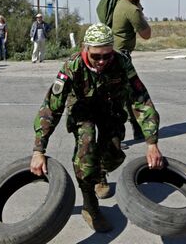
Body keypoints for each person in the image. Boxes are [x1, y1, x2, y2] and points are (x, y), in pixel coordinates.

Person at [29, 23, 164, 232]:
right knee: (87, 146)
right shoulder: (71, 67)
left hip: (110, 108)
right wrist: (39, 149)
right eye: (96, 56)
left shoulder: (121, 62)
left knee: (114, 153)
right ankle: (90, 204)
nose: (101, 61)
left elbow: (141, 98)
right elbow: (50, 108)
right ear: (85, 48)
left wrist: (152, 142)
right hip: (82, 110)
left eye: (106, 56)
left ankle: (100, 173)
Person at [111, 0, 152, 141]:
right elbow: (146, 34)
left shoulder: (117, 2)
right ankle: (113, 136)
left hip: (113, 54)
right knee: (131, 95)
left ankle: (137, 129)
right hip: (121, 58)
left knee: (128, 95)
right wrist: (140, 11)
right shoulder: (131, 10)